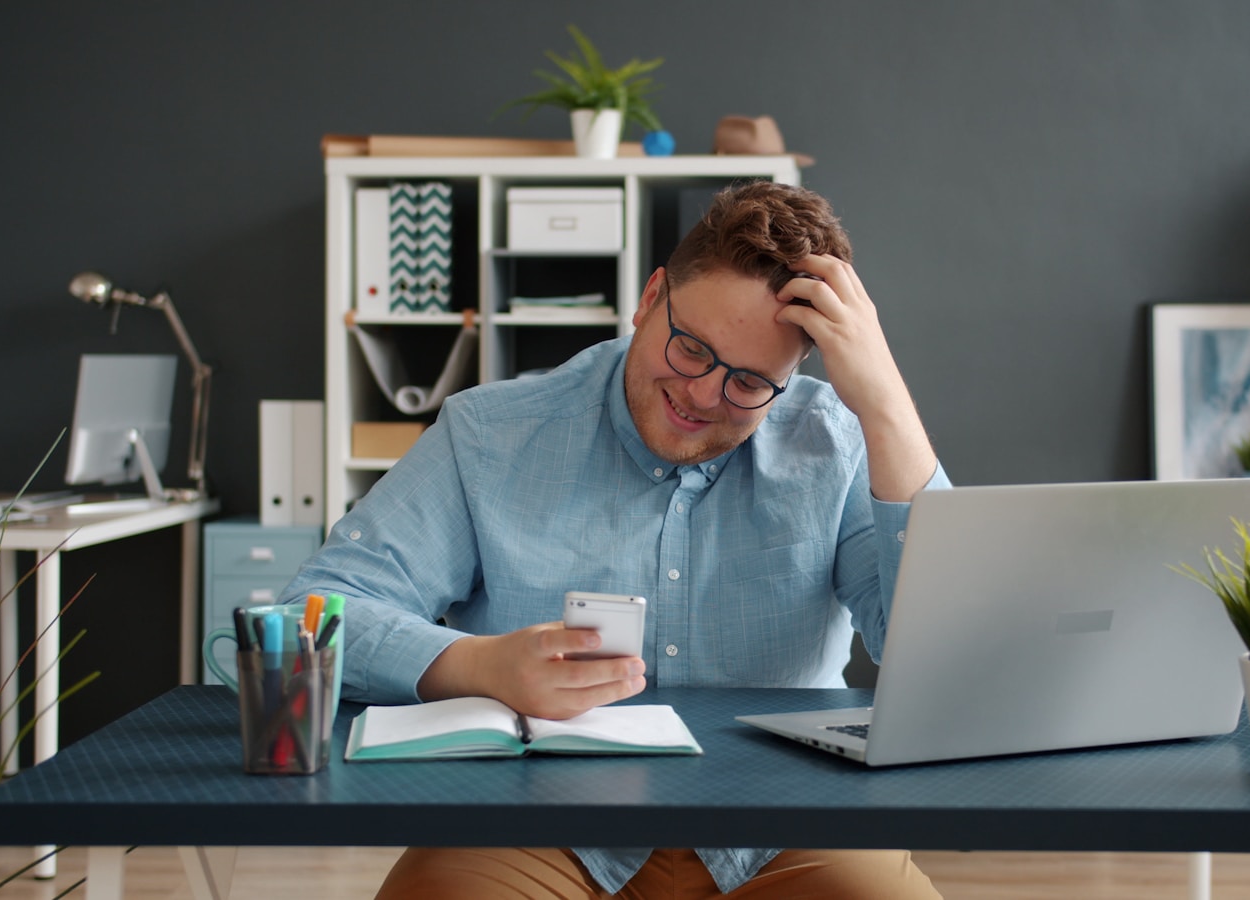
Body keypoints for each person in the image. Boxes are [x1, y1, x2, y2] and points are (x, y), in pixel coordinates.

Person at [281, 181, 951, 898]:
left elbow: (940, 657)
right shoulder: (489, 434)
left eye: (750, 382)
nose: (701, 395)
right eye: (691, 347)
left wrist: (883, 403)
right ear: (650, 297)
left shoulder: (838, 443)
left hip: (784, 830)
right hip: (536, 824)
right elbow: (308, 618)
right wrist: (474, 665)